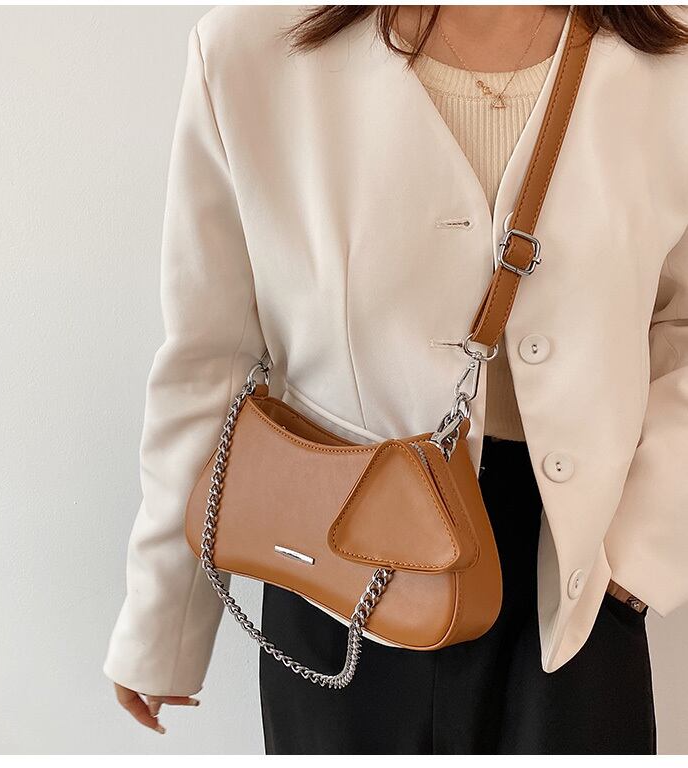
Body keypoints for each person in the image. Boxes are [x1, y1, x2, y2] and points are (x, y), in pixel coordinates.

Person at [104, 5, 688, 754]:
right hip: (340, 572)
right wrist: (164, 620)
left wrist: (642, 555)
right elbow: (211, 360)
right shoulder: (250, 51)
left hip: (575, 579)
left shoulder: (667, 57)